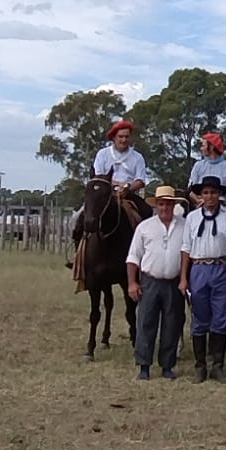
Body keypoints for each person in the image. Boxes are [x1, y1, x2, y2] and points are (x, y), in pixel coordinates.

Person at [179, 176, 226, 383]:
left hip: (222, 268)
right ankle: (200, 366)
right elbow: (186, 248)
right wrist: (183, 277)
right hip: (198, 268)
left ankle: (218, 365)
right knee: (199, 316)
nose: (209, 196)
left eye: (213, 192)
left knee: (221, 317)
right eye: (205, 193)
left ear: (219, 194)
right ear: (201, 195)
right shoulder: (192, 218)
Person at [66, 120, 152, 268]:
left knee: (146, 211)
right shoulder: (103, 154)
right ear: (114, 137)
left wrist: (128, 188)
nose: (124, 140)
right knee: (78, 215)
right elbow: (98, 177)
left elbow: (141, 180)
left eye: (126, 136)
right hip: (104, 194)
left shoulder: (137, 157)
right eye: (120, 136)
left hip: (128, 194)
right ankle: (79, 254)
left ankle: (145, 256)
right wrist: (115, 185)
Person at [126, 186, 187, 381]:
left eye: (168, 203)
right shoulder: (145, 227)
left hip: (174, 281)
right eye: (161, 204)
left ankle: (167, 365)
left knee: (172, 323)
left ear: (174, 205)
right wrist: (132, 283)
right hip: (150, 280)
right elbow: (133, 257)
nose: (165, 207)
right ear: (157, 205)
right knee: (146, 322)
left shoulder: (185, 226)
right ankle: (144, 365)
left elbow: (188, 254)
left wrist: (185, 279)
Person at [188, 133, 226, 212]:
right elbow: (190, 190)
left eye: (203, 146)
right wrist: (199, 200)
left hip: (223, 209)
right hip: (201, 209)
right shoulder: (198, 166)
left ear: (211, 147)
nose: (201, 148)